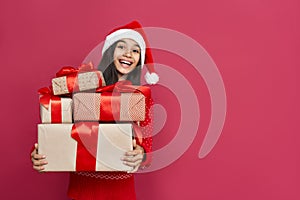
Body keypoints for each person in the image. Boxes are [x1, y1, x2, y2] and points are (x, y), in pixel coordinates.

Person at [31, 20, 159, 200]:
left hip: (121, 193)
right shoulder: (84, 85)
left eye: (135, 50)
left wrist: (141, 155)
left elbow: (146, 147)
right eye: (121, 46)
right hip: (82, 190)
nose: (128, 53)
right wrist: (41, 151)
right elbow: (57, 124)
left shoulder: (141, 97)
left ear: (140, 59)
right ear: (110, 51)